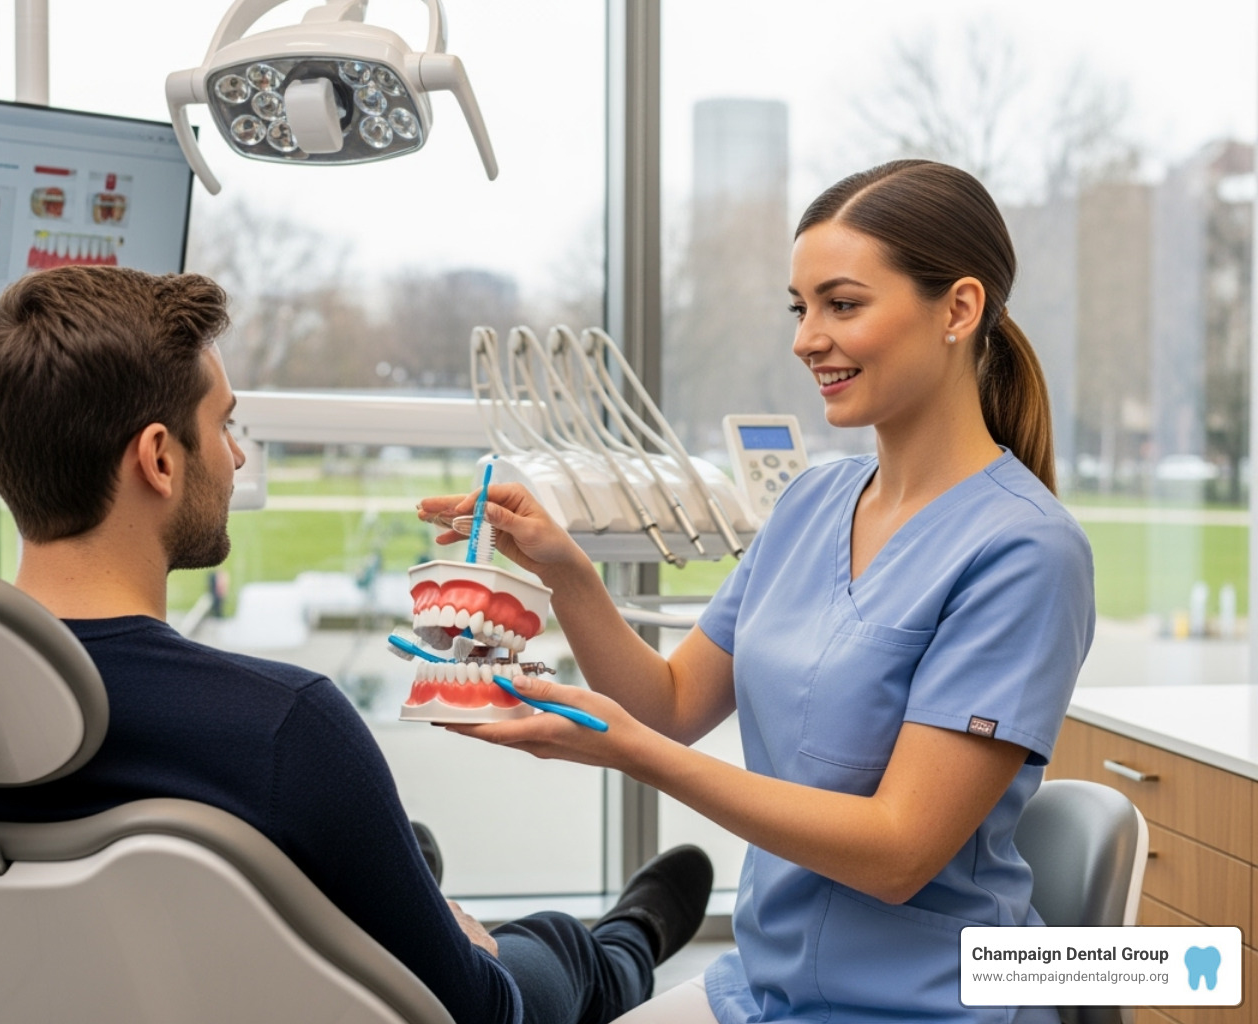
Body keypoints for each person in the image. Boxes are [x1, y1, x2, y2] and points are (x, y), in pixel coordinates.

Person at [0, 265, 713, 1024]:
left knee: (385, 849)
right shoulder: (283, 729)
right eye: (224, 425)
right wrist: (471, 947)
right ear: (159, 458)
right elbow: (474, 1013)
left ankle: (419, 880)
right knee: (546, 948)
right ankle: (627, 944)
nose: (238, 459)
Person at [418, 160, 1095, 1024]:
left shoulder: (1025, 552)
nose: (806, 338)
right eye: (799, 307)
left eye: (842, 304)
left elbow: (898, 851)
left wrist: (633, 752)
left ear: (958, 310)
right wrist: (567, 572)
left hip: (921, 1004)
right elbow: (668, 703)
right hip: (765, 986)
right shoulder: (813, 503)